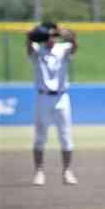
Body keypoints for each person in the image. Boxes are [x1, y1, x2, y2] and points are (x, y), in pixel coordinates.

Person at [26, 21, 78, 186]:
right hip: (43, 97)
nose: (52, 38)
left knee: (66, 136)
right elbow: (28, 41)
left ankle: (67, 171)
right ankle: (39, 172)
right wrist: (36, 31)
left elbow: (75, 44)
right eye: (49, 35)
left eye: (54, 35)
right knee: (40, 137)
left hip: (62, 97)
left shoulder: (63, 49)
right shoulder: (37, 50)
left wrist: (65, 32)